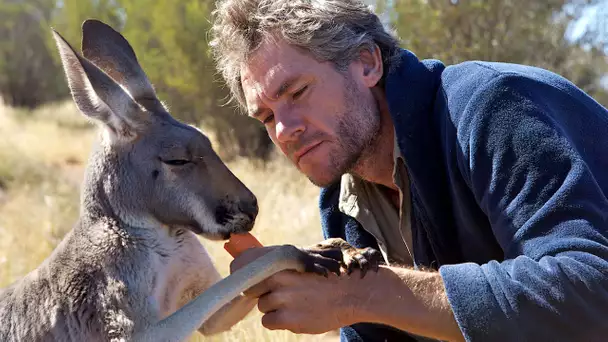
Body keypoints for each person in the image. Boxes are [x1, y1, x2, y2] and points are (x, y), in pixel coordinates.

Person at [209, 0, 608, 341]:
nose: (284, 129)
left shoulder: (489, 108)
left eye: (297, 93)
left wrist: (359, 295)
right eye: (265, 117)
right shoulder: (345, 199)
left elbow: (591, 294)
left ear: (367, 63)